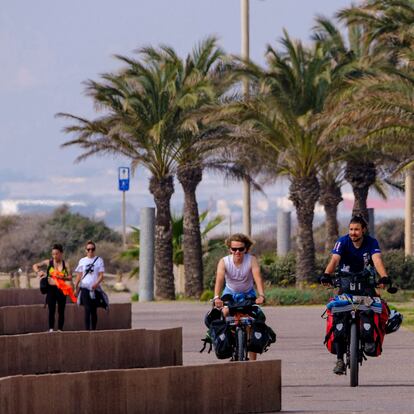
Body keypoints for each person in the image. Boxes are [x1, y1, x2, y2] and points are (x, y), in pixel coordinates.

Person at [320, 215, 389, 375]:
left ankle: (369, 340)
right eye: (351, 229)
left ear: (363, 230)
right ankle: (339, 360)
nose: (353, 232)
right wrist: (326, 274)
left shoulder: (371, 242)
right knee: (339, 316)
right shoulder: (342, 241)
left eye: (357, 229)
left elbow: (377, 260)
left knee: (371, 309)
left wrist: (384, 276)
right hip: (345, 284)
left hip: (365, 284)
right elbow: (335, 259)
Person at [213, 233, 266, 360]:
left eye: (241, 249)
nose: (237, 252)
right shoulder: (224, 261)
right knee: (223, 313)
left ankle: (253, 361)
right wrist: (216, 297)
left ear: (246, 249)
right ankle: (225, 343)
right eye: (234, 249)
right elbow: (219, 279)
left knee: (253, 322)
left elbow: (257, 277)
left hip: (248, 294)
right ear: (230, 249)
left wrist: (261, 295)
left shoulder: (251, 260)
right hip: (229, 294)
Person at [32, 244, 72, 331]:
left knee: (61, 311)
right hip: (51, 289)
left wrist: (61, 277)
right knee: (51, 310)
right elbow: (35, 265)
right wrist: (38, 272)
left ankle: (60, 329)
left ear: (61, 253)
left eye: (56, 254)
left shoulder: (66, 264)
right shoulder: (48, 262)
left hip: (61, 289)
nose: (54, 256)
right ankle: (51, 329)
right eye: (53, 254)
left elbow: (70, 277)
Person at [74, 240, 105, 330]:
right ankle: (87, 330)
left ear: (95, 250)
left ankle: (94, 329)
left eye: (92, 249)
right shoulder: (82, 261)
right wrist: (75, 287)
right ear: (85, 250)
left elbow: (101, 275)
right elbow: (79, 275)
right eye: (88, 249)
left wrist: (96, 283)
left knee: (93, 310)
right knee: (87, 309)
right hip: (84, 287)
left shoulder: (99, 260)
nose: (90, 251)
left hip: (94, 288)